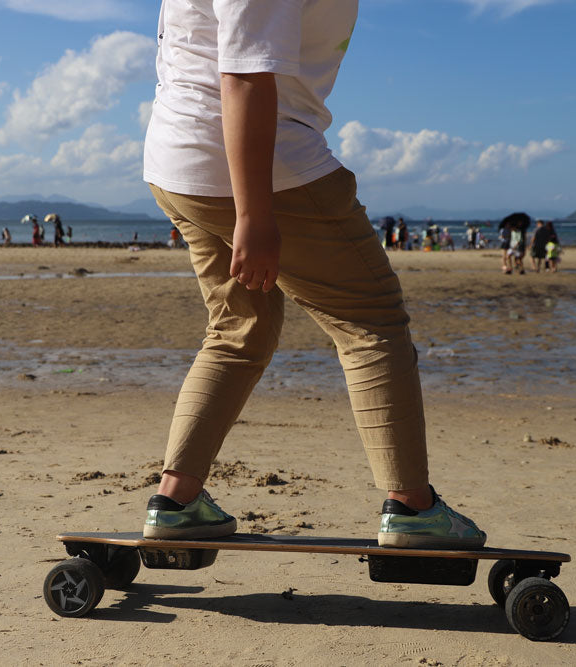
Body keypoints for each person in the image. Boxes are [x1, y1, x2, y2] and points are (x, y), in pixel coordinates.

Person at [140, 1, 484, 548]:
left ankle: (176, 500)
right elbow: (245, 74)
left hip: (177, 160)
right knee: (370, 320)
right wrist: (254, 216)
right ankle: (412, 507)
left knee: (238, 329)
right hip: (260, 165)